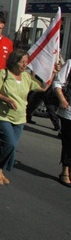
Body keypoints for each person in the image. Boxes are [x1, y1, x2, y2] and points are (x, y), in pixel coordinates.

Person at [0, 49, 49, 185]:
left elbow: (43, 88)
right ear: (14, 61)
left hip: (20, 118)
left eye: (26, 62)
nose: (24, 65)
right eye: (22, 62)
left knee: (11, 147)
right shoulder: (3, 74)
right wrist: (6, 99)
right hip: (1, 115)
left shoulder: (27, 77)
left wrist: (51, 73)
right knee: (9, 143)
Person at [53, 58, 71, 188]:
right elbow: (58, 82)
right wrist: (62, 99)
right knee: (69, 142)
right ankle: (65, 170)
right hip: (69, 111)